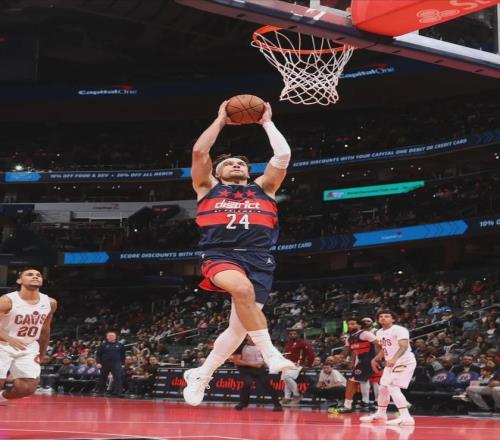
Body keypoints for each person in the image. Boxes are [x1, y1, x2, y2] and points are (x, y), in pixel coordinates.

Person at [183, 100, 295, 406]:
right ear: (218, 173)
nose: (236, 165)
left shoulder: (265, 188)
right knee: (242, 289)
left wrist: (267, 122)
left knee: (237, 329)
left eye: (241, 163)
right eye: (229, 163)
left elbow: (283, 156)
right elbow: (199, 152)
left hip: (260, 258)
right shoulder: (207, 187)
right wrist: (220, 120)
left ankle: (202, 374)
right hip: (221, 254)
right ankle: (271, 353)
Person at [0, 268, 57, 404]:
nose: (35, 276)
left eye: (38, 275)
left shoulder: (50, 303)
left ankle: (1, 397)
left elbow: (45, 330)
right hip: (2, 344)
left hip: (28, 346)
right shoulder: (6, 301)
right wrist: (8, 338)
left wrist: (42, 353)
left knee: (27, 388)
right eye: (30, 274)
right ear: (19, 280)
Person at [360, 310, 416, 426]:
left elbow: (404, 346)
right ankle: (381, 413)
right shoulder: (379, 332)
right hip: (391, 363)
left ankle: (406, 417)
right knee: (383, 388)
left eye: (386, 316)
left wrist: (394, 359)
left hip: (404, 361)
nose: (383, 318)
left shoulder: (399, 330)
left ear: (393, 319)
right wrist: (375, 359)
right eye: (381, 316)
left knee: (393, 386)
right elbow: (384, 349)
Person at [335, 317, 378, 413]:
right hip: (362, 361)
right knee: (359, 381)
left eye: (353, 324)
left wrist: (378, 358)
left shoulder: (365, 334)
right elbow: (345, 353)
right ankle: (362, 402)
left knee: (353, 381)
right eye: (349, 324)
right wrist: (338, 357)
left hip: (370, 361)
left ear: (359, 325)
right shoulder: (349, 338)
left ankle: (348, 406)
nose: (350, 326)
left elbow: (379, 345)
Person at [232, 335, 282, 411]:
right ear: (247, 337)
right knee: (248, 382)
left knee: (267, 384)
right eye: (250, 336)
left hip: (259, 368)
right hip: (245, 369)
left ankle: (277, 404)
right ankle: (243, 403)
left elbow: (267, 357)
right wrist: (252, 364)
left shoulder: (262, 346)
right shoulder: (240, 346)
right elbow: (237, 361)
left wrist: (266, 362)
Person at [282, 329, 315, 405]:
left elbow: (311, 353)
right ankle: (287, 398)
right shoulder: (288, 344)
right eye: (291, 334)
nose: (292, 335)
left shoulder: (303, 343)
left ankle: (297, 395)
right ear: (288, 335)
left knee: (287, 377)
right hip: (287, 365)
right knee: (286, 380)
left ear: (298, 335)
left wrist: (309, 365)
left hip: (298, 364)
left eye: (294, 334)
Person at [96, 331, 126, 396]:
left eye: (112, 336)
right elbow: (98, 354)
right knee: (103, 378)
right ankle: (101, 392)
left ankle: (118, 392)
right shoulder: (103, 345)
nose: (111, 337)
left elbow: (123, 355)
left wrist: (123, 363)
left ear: (115, 337)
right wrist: (98, 362)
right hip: (104, 364)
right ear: (107, 337)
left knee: (118, 378)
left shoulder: (120, 345)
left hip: (116, 364)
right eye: (109, 336)